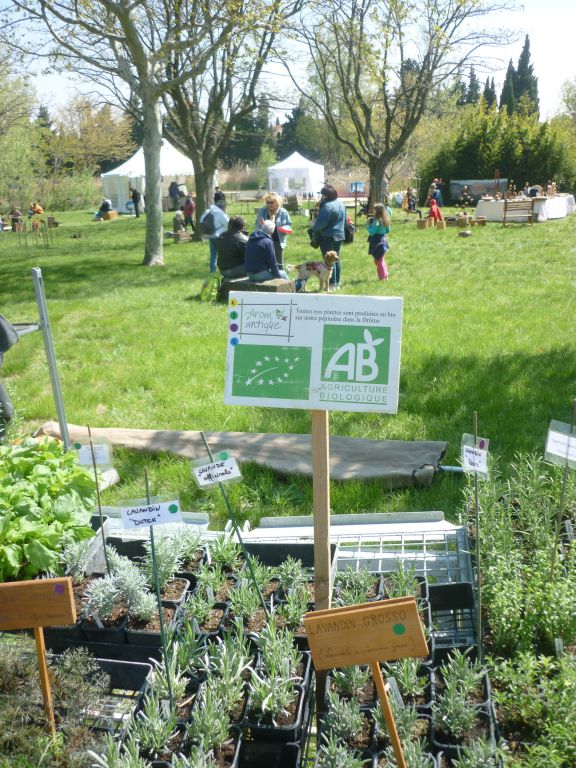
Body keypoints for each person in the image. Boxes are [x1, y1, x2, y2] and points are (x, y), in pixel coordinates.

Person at [311, 184, 346, 289]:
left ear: (326, 196)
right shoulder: (341, 204)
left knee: (328, 261)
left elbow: (321, 223)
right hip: (339, 235)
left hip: (327, 236)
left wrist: (313, 226)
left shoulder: (327, 206)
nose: (321, 196)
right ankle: (336, 284)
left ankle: (331, 284)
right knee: (336, 259)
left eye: (322, 194)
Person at [254, 192, 293, 268]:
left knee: (279, 263)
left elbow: (289, 224)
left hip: (278, 240)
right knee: (266, 263)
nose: (269, 204)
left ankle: (280, 278)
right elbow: (257, 225)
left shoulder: (283, 212)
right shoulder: (262, 211)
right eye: (267, 202)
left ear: (277, 202)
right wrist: (262, 225)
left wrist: (284, 229)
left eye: (272, 202)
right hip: (264, 241)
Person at [200, 202, 229, 273]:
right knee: (222, 253)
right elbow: (228, 224)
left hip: (209, 235)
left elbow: (201, 221)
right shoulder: (220, 214)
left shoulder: (208, 211)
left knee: (213, 253)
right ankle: (224, 269)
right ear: (223, 208)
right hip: (219, 236)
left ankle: (212, 270)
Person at [366, 202, 391, 281]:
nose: (373, 212)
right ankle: (385, 275)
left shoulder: (376, 221)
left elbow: (372, 232)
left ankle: (382, 277)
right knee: (380, 259)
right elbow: (388, 230)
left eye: (374, 210)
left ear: (377, 212)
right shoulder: (385, 220)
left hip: (377, 242)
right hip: (383, 240)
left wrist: (367, 225)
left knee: (379, 261)